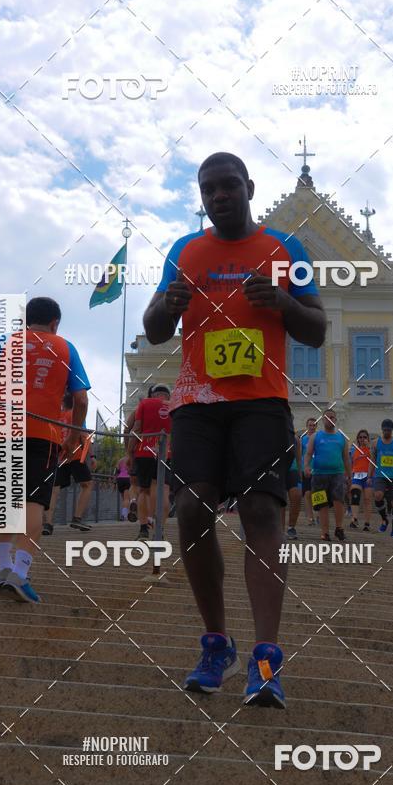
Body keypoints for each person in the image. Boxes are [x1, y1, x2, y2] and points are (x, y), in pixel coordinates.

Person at [143, 151, 326, 708]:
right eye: (208, 189)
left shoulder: (285, 250)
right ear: (200, 197)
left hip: (262, 403)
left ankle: (266, 658)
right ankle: (217, 643)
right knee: (193, 509)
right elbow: (153, 330)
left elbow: (317, 329)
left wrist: (283, 302)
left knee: (262, 512)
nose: (218, 196)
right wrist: (168, 306)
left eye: (228, 186)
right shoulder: (185, 251)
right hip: (196, 403)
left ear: (248, 187)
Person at [0, 297, 90, 602]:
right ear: (55, 323)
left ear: (27, 320)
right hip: (45, 435)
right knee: (33, 505)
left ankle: (2, 568)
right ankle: (20, 573)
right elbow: (80, 400)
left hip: (4, 432)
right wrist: (73, 437)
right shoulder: (66, 348)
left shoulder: (5, 340)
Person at [42, 390, 96, 535]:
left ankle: (47, 523)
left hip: (59, 457)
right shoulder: (76, 415)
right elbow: (84, 436)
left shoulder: (56, 417)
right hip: (76, 454)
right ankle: (77, 518)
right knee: (87, 485)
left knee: (54, 490)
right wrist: (91, 456)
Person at [127, 384, 172, 545]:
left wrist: (130, 452)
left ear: (153, 394)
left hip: (144, 451)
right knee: (163, 490)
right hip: (165, 453)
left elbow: (136, 428)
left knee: (144, 491)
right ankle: (159, 531)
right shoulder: (174, 406)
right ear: (168, 395)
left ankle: (143, 529)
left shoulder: (145, 403)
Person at [303, 408, 351, 542]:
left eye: (332, 417)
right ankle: (325, 532)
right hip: (319, 475)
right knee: (322, 503)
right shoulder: (315, 437)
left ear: (335, 420)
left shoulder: (341, 438)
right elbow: (308, 454)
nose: (330, 419)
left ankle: (339, 528)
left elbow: (346, 458)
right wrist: (306, 466)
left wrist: (349, 475)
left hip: (338, 474)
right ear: (323, 420)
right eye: (327, 417)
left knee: (339, 500)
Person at [368, 418, 393, 539]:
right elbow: (372, 460)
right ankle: (384, 519)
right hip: (380, 475)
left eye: (388, 430)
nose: (386, 432)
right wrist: (369, 476)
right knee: (378, 495)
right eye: (384, 430)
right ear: (382, 430)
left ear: (392, 430)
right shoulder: (375, 443)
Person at [349, 429, 372, 531]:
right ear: (357, 439)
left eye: (364, 437)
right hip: (357, 475)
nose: (362, 439)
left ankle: (367, 523)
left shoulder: (371, 449)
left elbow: (375, 459)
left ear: (368, 438)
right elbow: (350, 462)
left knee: (367, 499)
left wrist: (369, 447)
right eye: (360, 437)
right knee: (355, 495)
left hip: (368, 475)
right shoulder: (354, 449)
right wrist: (349, 475)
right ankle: (354, 519)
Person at [283, 434, 302, 540]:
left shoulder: (295, 439)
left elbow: (299, 458)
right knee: (280, 500)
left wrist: (300, 474)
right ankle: (280, 530)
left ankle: (291, 527)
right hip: (278, 470)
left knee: (297, 495)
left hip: (292, 469)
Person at [300, 417, 318, 525]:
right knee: (307, 493)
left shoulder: (319, 439)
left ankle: (318, 514)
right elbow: (300, 455)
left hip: (318, 470)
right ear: (307, 427)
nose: (312, 427)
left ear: (316, 427)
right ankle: (310, 517)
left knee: (317, 493)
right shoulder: (303, 439)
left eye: (314, 425)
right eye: (310, 425)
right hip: (306, 470)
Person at [115, 455, 131, 520]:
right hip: (128, 478)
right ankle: (124, 515)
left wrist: (115, 482)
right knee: (127, 499)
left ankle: (126, 513)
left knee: (124, 499)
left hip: (120, 479)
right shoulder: (131, 459)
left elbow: (117, 471)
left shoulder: (120, 460)